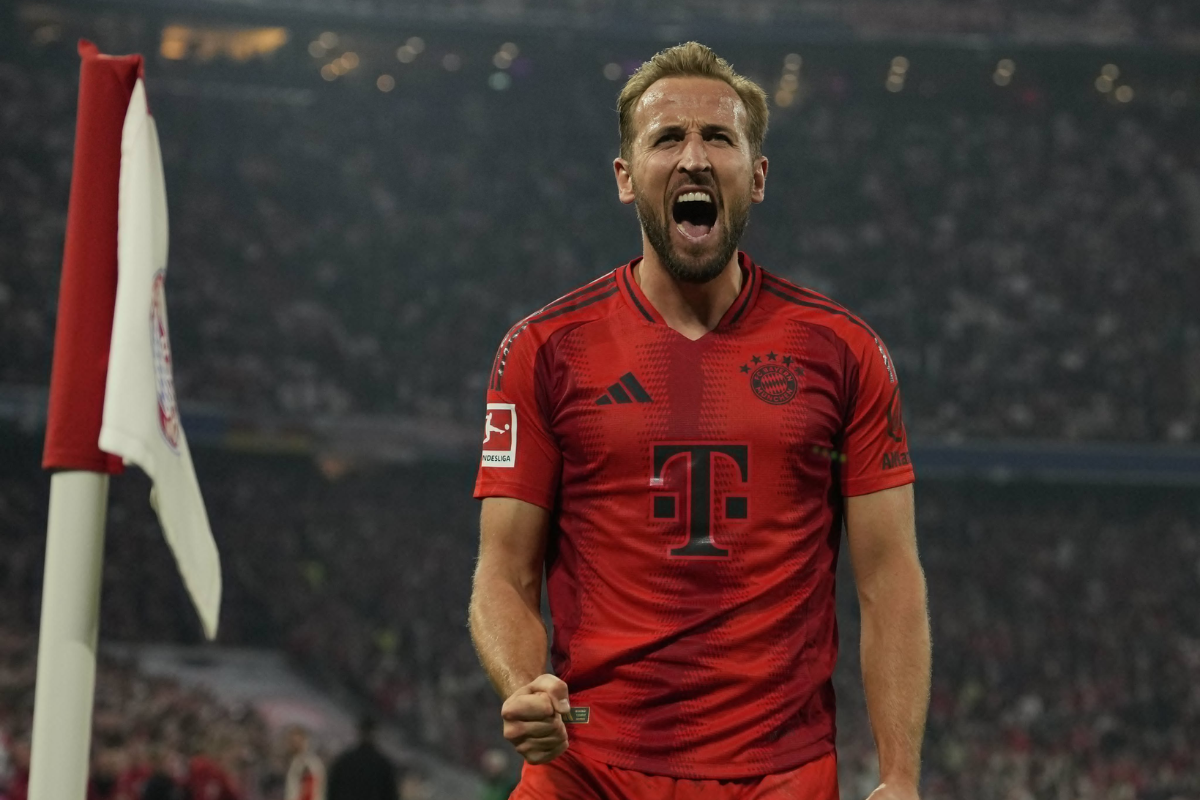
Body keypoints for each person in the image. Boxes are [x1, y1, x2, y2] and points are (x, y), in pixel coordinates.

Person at [469, 41, 931, 800]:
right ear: (626, 179)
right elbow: (503, 572)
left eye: (718, 137)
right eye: (666, 138)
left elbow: (889, 580)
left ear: (757, 176)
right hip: (587, 767)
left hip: (777, 776)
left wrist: (902, 776)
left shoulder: (843, 351)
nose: (693, 158)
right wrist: (524, 683)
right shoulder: (544, 349)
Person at [326, 716, 397, 800]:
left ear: (359, 732)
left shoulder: (344, 761)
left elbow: (332, 790)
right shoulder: (383, 764)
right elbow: (391, 794)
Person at [283, 727, 325, 800]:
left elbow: (310, 791)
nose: (292, 744)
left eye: (295, 741)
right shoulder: (295, 761)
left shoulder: (308, 763)